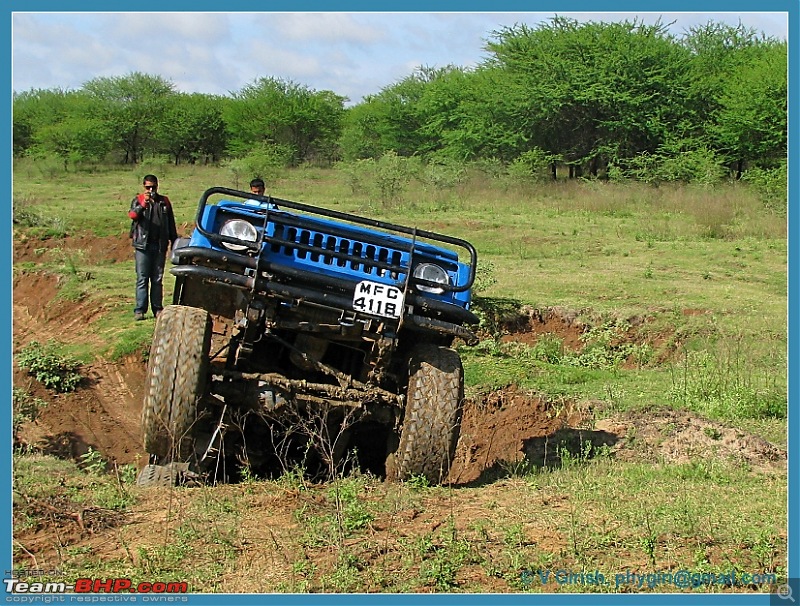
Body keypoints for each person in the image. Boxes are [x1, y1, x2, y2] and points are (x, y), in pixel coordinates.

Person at [128, 175, 178, 321]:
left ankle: (157, 308)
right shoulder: (138, 200)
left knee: (157, 279)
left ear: (157, 186)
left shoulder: (164, 201)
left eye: (153, 187)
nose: (151, 190)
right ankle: (140, 310)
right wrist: (143, 204)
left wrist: (174, 242)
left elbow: (171, 223)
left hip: (159, 244)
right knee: (142, 278)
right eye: (148, 187)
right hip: (143, 245)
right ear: (143, 187)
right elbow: (132, 215)